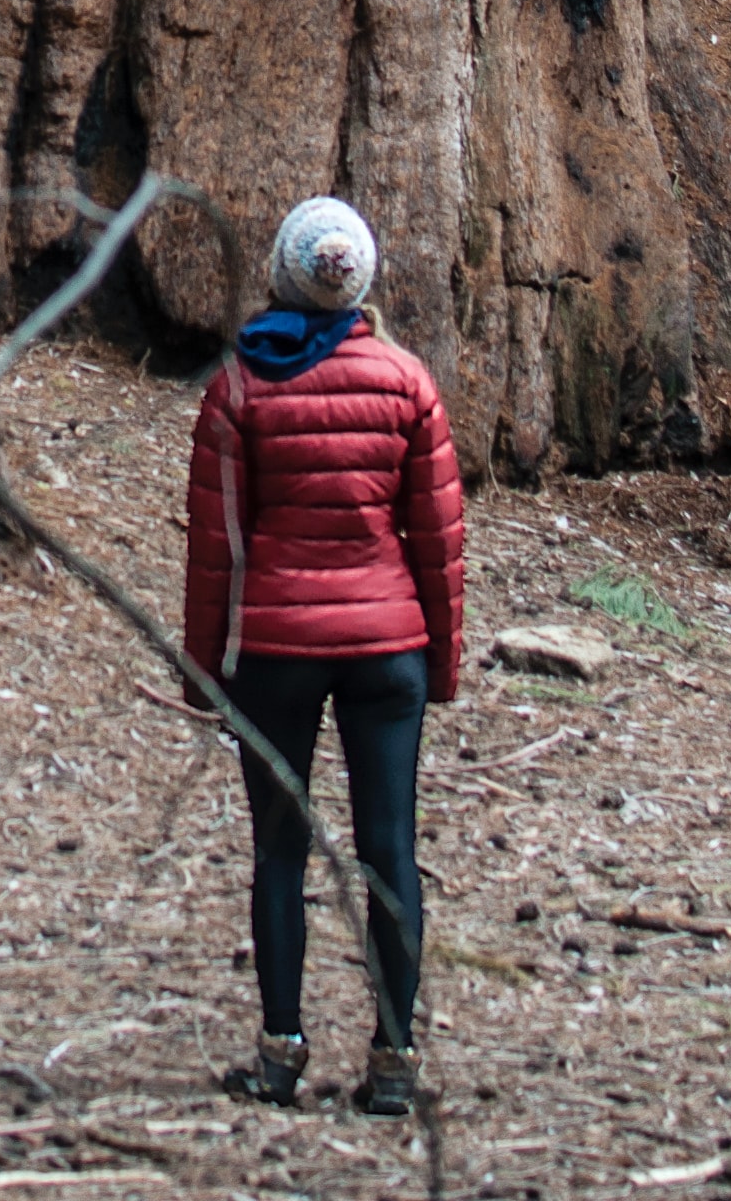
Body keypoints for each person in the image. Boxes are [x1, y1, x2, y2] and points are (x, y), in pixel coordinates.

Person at [179, 194, 465, 1116]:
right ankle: (393, 1059)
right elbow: (437, 542)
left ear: (283, 273)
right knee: (390, 850)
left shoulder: (240, 387)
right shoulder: (408, 382)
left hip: (277, 649)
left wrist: (202, 667)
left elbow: (214, 545)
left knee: (280, 853)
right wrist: (444, 664)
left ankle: (279, 1051)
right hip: (389, 652)